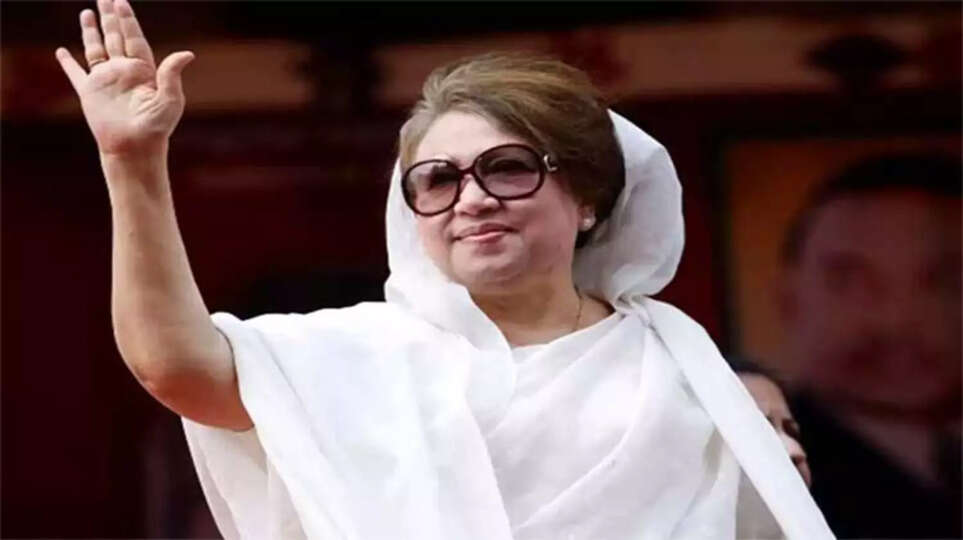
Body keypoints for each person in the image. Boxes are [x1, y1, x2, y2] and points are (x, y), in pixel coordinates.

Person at [55, 1, 831, 538]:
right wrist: (132, 161)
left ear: (588, 197)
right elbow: (176, 368)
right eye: (437, 180)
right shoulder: (361, 354)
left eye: (507, 167)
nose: (473, 199)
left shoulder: (677, 367)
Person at [775, 153, 962, 539]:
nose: (895, 320)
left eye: (946, 280)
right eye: (850, 281)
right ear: (788, 297)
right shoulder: (756, 469)